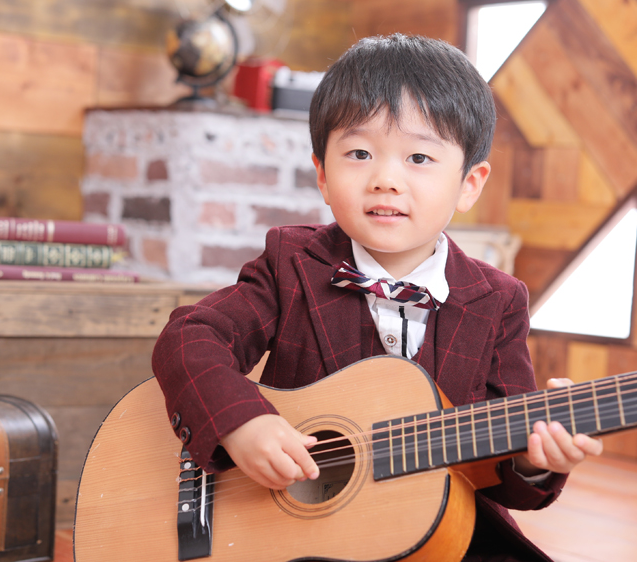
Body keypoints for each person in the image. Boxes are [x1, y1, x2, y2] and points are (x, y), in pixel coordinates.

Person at [151, 33, 603, 561]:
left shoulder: (498, 301)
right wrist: (240, 422)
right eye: (360, 153)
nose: (385, 179)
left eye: (419, 157)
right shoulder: (291, 264)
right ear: (323, 174)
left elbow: (502, 470)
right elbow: (189, 337)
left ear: (469, 183)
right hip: (301, 530)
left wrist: (535, 462)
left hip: (439, 532)